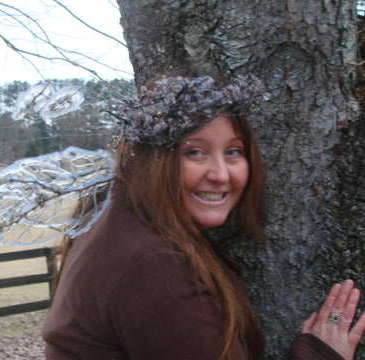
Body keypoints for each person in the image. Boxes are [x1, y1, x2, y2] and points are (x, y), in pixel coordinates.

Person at [41, 74, 365, 360]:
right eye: (194, 151)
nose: (221, 175)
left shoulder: (114, 210)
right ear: (154, 159)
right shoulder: (154, 267)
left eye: (233, 152)